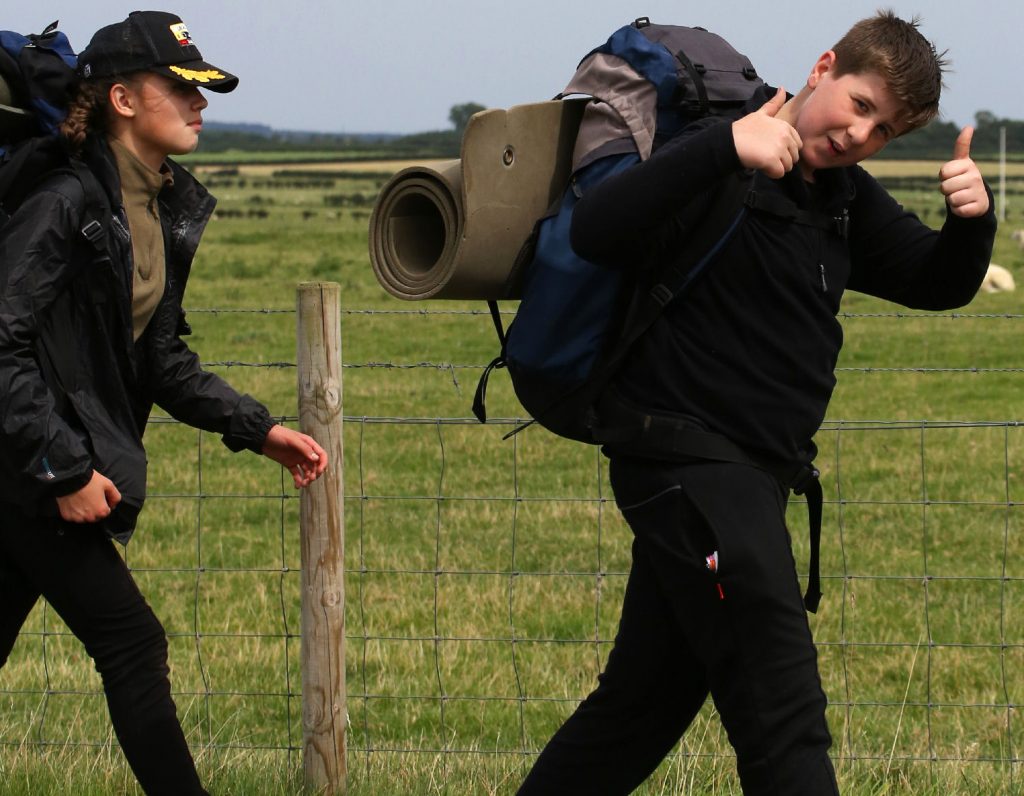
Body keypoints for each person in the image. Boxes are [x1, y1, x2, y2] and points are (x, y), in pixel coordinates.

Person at [518, 11, 995, 796]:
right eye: (861, 104)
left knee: (638, 710)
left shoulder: (840, 196)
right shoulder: (721, 147)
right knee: (783, 705)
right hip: (685, 459)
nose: (859, 136)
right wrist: (725, 148)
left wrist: (971, 223)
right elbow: (600, 229)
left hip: (752, 478)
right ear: (823, 67)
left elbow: (932, 281)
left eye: (884, 132)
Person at [0, 12, 327, 796]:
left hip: (29, 467)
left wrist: (262, 429)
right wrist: (64, 468)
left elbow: (161, 358)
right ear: (120, 98)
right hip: (25, 468)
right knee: (133, 643)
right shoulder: (67, 204)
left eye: (201, 89)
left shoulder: (154, 205)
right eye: (180, 88)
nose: (199, 103)